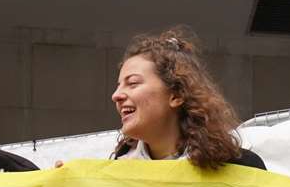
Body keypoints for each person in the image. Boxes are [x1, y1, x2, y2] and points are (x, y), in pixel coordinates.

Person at [109, 27, 265, 170]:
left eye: (133, 83)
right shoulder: (115, 171)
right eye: (119, 85)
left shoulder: (241, 169)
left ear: (177, 95)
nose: (116, 95)